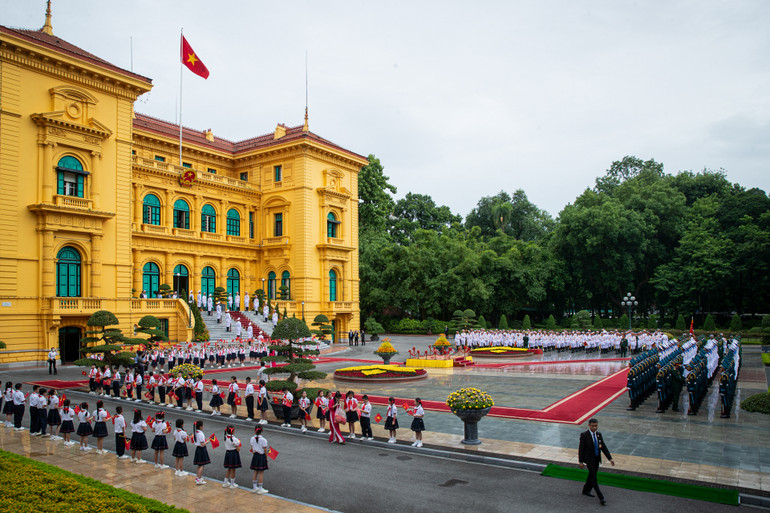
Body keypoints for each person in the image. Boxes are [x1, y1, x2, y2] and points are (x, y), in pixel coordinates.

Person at [578, 417, 614, 506]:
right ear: (589, 426)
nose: (595, 428)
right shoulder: (584, 435)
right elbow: (581, 449)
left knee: (591, 475)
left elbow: (603, 447)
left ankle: (586, 490)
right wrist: (581, 461)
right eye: (593, 426)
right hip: (589, 459)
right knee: (594, 478)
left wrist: (610, 458)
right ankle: (601, 497)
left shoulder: (599, 435)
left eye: (596, 426)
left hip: (596, 459)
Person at [249, 425, 269, 494]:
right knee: (261, 472)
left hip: (255, 455)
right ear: (262, 431)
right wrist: (266, 458)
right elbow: (265, 450)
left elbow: (252, 448)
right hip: (261, 456)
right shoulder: (263, 440)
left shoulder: (252, 438)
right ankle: (260, 488)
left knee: (255, 471)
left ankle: (254, 487)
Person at [192, 420, 210, 485]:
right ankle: (199, 479)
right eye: (202, 425)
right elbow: (202, 444)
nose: (203, 426)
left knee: (199, 464)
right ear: (200, 426)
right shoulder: (200, 433)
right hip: (202, 449)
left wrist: (205, 440)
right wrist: (207, 442)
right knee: (202, 464)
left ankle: (197, 477)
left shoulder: (195, 433)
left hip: (198, 449)